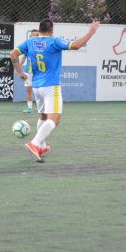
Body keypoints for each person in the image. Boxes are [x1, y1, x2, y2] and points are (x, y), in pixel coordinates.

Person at [11, 18, 100, 162]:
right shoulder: (54, 41)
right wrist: (92, 31)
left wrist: (20, 72)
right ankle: (34, 143)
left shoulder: (30, 42)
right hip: (51, 86)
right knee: (55, 118)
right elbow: (76, 45)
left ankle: (41, 145)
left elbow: (13, 54)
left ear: (39, 30)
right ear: (51, 31)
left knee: (44, 117)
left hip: (37, 87)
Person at [20, 29, 39, 113]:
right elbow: (23, 57)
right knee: (29, 89)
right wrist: (19, 68)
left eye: (37, 35)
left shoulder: (42, 46)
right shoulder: (27, 46)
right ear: (30, 36)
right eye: (34, 34)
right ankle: (29, 108)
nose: (35, 36)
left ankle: (44, 107)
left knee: (41, 90)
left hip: (39, 71)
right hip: (28, 71)